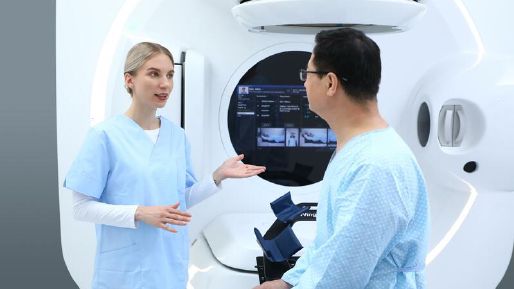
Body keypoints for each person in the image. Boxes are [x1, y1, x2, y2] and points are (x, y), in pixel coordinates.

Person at [64, 42, 266, 289]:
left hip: (169, 267)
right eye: (154, 74)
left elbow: (178, 200)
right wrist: (140, 212)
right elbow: (82, 208)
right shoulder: (104, 136)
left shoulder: (176, 136)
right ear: (130, 80)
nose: (165, 84)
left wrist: (217, 176)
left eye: (170, 75)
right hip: (124, 271)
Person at [254, 28, 429, 289]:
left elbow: (341, 278)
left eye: (308, 74)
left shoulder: (375, 166)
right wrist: (287, 282)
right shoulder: (354, 149)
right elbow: (330, 245)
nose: (303, 83)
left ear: (331, 83)